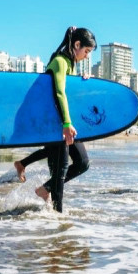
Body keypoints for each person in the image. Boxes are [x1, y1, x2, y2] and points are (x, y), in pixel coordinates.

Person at [34, 26, 94, 212]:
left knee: (82, 162)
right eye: (86, 51)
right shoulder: (60, 62)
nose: (87, 56)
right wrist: (66, 124)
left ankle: (45, 190)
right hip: (56, 122)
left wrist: (81, 81)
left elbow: (69, 92)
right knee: (61, 169)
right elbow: (59, 93)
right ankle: (59, 218)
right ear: (77, 44)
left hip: (64, 122)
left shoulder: (70, 64)